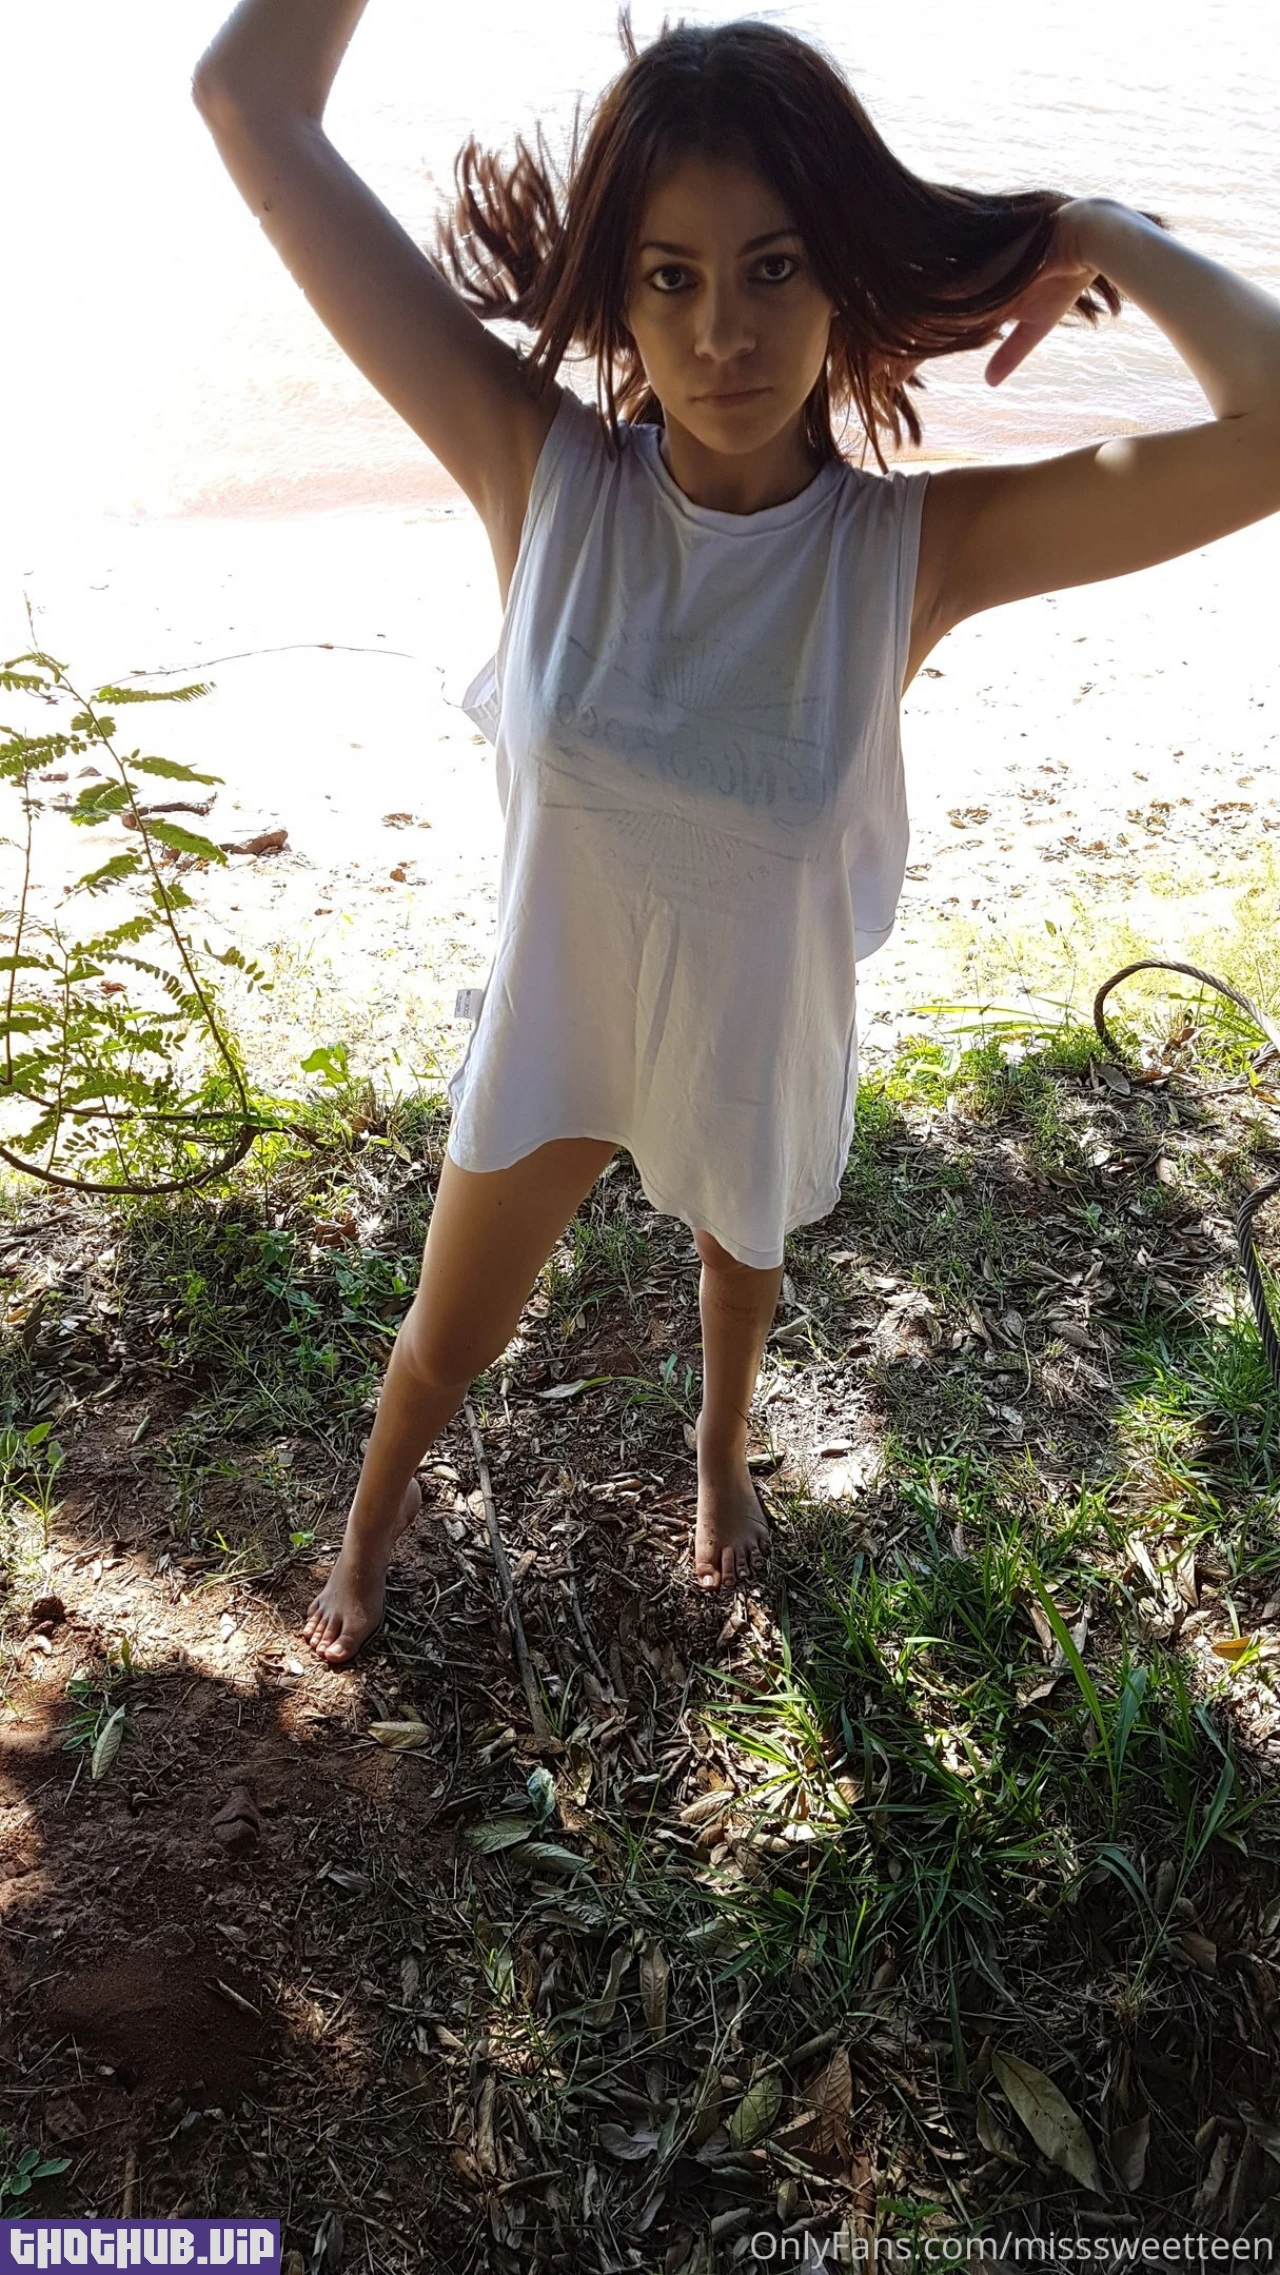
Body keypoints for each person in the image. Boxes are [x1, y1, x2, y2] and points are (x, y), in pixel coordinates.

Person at [194, 4, 1280, 1662]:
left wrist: (1096, 229)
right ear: (618, 298)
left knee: (736, 1259)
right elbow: (248, 101)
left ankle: (719, 1451)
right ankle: (372, 1519)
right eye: (671, 277)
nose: (723, 335)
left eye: (775, 267)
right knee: (443, 1339)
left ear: (843, 274)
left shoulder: (913, 552)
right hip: (559, 1026)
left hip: (754, 1027)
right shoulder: (538, 471)